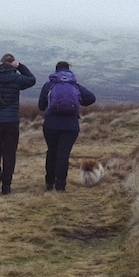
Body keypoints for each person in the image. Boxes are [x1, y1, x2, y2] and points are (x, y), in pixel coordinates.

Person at [36, 60, 96, 192]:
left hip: (51, 125)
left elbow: (41, 106)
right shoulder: (75, 85)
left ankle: (49, 182)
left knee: (52, 152)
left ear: (56, 70)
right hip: (70, 126)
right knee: (63, 155)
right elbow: (91, 98)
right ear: (69, 70)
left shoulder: (49, 85)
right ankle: (60, 186)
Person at [0, 53, 36, 195]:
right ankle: (6, 186)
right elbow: (31, 80)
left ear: (0, 62)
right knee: (9, 153)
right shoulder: (16, 78)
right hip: (12, 121)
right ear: (13, 64)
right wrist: (21, 66)